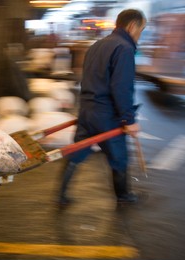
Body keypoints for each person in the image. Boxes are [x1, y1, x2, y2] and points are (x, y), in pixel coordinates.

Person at [58, 9, 146, 205]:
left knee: (77, 151)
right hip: (107, 115)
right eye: (141, 29)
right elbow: (121, 87)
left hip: (87, 110)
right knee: (119, 156)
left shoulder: (97, 44)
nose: (140, 34)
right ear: (132, 26)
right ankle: (123, 196)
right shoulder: (124, 48)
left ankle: (61, 195)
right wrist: (129, 120)